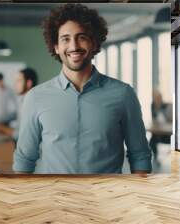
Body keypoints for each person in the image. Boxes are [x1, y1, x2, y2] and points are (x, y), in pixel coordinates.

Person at [13, 3, 152, 175]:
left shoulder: (123, 94)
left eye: (82, 37)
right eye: (65, 39)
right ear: (56, 47)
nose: (74, 46)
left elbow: (140, 155)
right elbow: (24, 159)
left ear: (94, 43)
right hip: (54, 198)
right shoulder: (35, 97)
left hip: (107, 198)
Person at [0, 68, 38, 141]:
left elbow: (20, 134)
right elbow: (15, 114)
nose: (15, 84)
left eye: (19, 81)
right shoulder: (23, 100)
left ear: (28, 83)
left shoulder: (32, 104)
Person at [149, 89, 172, 160]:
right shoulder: (153, 106)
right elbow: (154, 119)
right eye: (155, 97)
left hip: (167, 133)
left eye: (159, 97)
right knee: (153, 140)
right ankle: (155, 158)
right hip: (159, 131)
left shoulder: (167, 106)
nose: (157, 99)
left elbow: (169, 120)